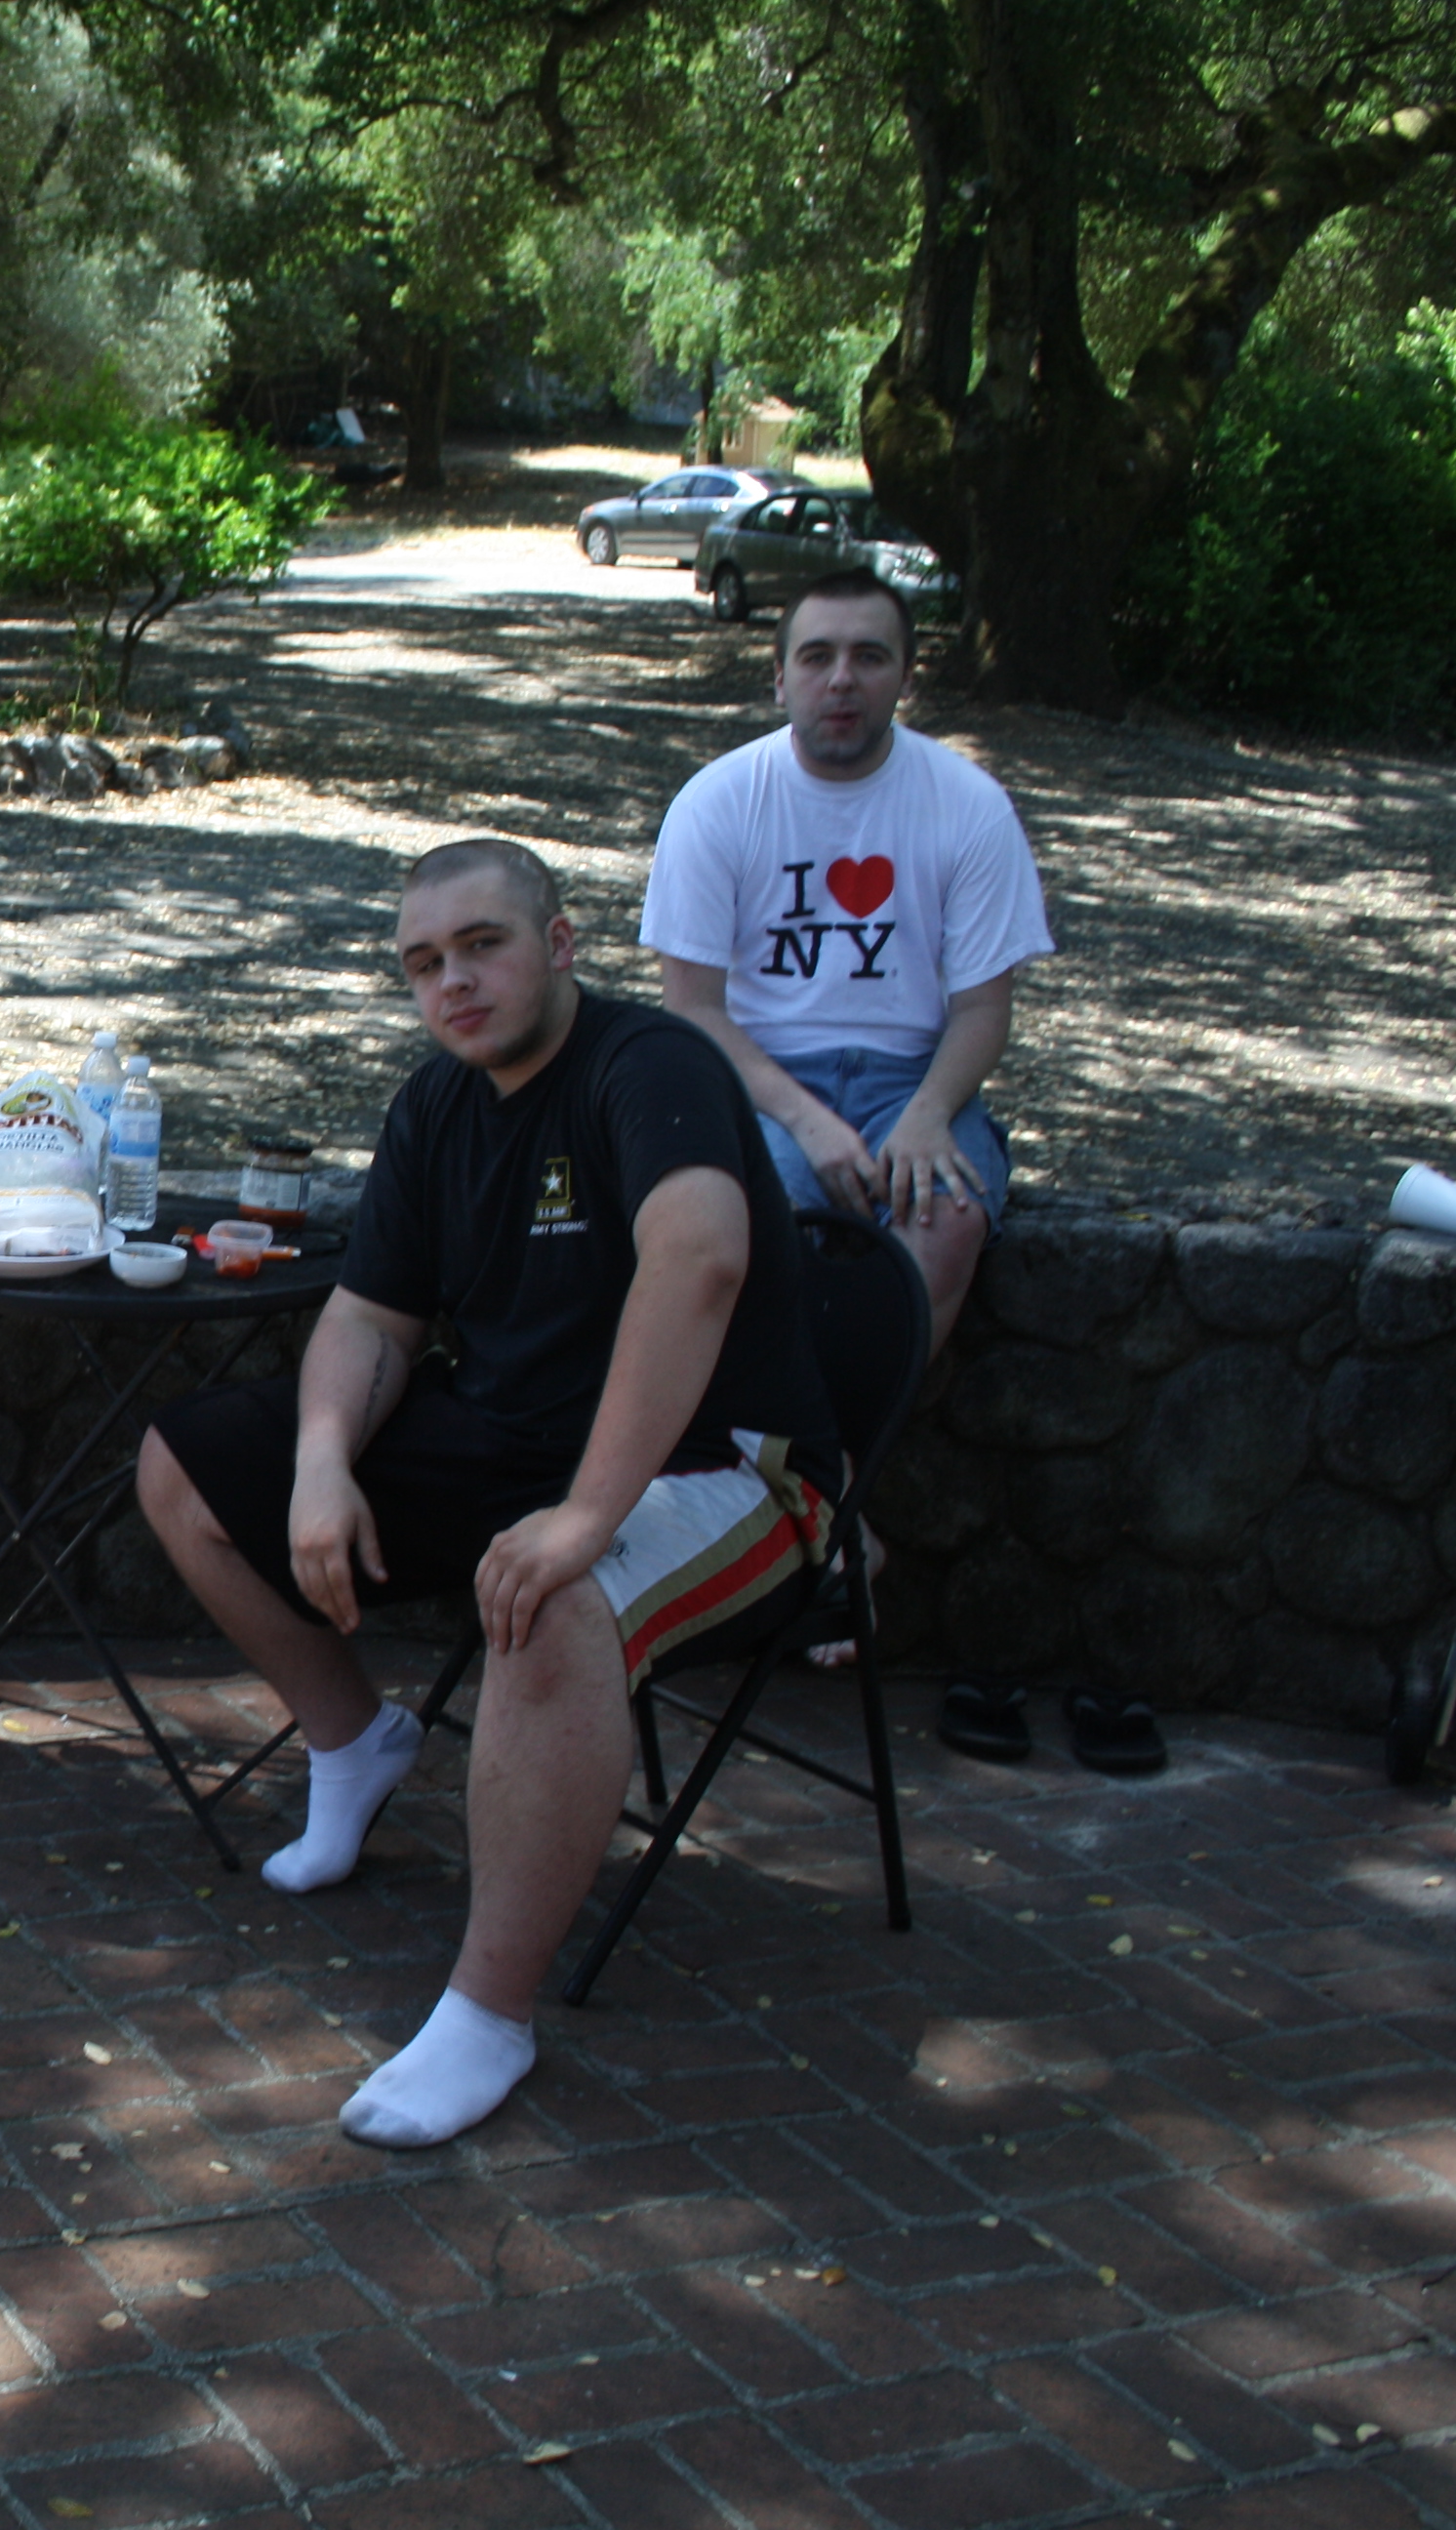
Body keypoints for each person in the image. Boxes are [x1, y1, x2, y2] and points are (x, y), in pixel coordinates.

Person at [136, 839, 841, 2149]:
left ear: (560, 945)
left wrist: (585, 1518)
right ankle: (354, 1744)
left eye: (482, 946)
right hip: (510, 1440)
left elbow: (699, 1260)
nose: (452, 983)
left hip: (724, 1465)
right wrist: (321, 1463)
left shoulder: (652, 1064)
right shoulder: (436, 1107)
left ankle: (488, 2014)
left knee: (553, 1596)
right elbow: (371, 1316)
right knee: (188, 1464)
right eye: (423, 964)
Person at [639, 565, 1051, 1360]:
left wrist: (929, 1114)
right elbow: (692, 1010)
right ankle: (768, 1430)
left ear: (905, 676)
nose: (841, 680)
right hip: (760, 1082)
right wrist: (805, 1119)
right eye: (816, 656)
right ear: (779, 677)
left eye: (869, 656)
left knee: (947, 1215)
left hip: (912, 1079)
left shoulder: (969, 805)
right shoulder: (717, 803)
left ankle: (857, 1433)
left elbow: (982, 1010)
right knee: (754, 1220)